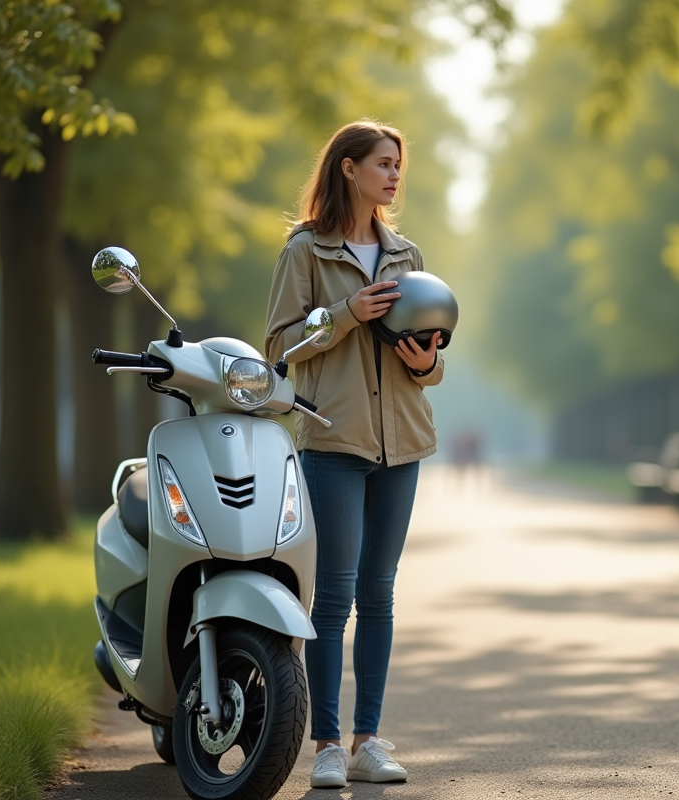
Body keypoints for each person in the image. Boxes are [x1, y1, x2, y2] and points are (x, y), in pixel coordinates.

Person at [264, 119, 444, 788]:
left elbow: (429, 362)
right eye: (383, 163)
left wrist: (426, 361)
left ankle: (370, 739)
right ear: (348, 168)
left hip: (404, 441)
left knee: (380, 592)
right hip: (333, 440)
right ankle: (328, 746)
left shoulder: (408, 255)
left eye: (399, 164)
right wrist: (347, 312)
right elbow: (278, 346)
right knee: (333, 596)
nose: (395, 174)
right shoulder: (305, 252)